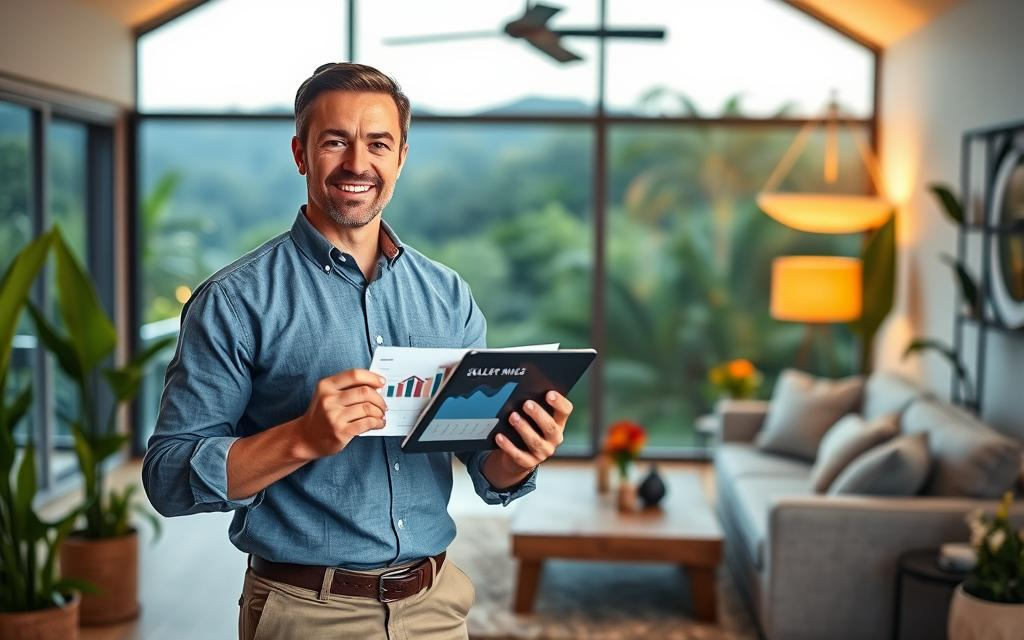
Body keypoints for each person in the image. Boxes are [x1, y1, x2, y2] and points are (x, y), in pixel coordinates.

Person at [141, 62, 574, 640]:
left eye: (377, 143)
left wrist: (518, 457)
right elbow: (168, 478)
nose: (357, 164)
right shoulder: (233, 301)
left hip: (436, 607)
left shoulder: (448, 296)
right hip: (305, 612)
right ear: (301, 154)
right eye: (335, 141)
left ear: (400, 157)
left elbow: (481, 462)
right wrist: (302, 437)